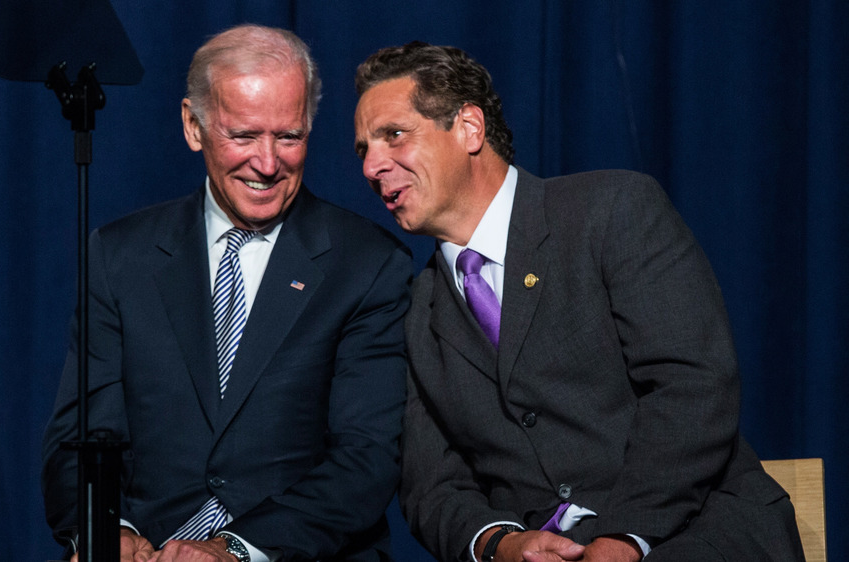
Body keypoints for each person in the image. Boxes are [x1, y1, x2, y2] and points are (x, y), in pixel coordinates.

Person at [353, 42, 804, 562]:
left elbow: (695, 386)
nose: (373, 166)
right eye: (364, 149)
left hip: (692, 532)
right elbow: (432, 483)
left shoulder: (611, 212)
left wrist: (623, 537)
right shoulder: (414, 311)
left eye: (394, 135)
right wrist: (501, 543)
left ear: (469, 128)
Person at [41, 25, 412, 562]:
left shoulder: (369, 265)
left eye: (289, 137)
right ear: (194, 125)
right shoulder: (120, 257)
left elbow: (367, 458)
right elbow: (76, 442)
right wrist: (108, 534)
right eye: (243, 136)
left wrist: (235, 550)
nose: (267, 163)